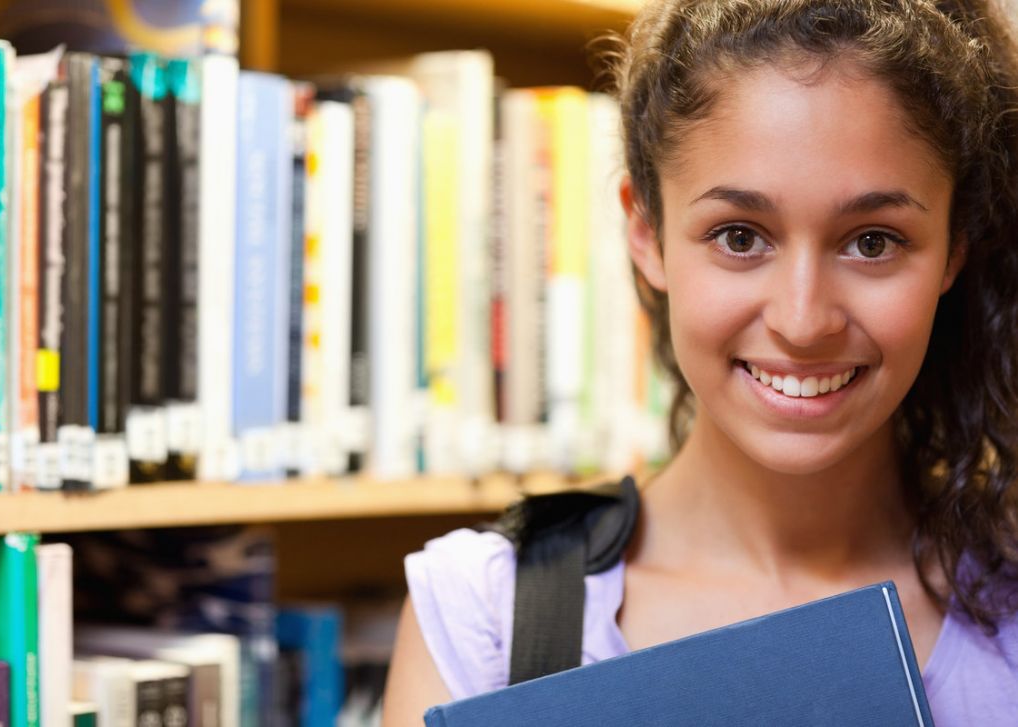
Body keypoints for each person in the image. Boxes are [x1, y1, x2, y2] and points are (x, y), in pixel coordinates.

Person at [381, 0, 1018, 723]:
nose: (803, 321)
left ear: (954, 249)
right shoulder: (485, 616)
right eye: (740, 236)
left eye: (872, 241)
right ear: (645, 231)